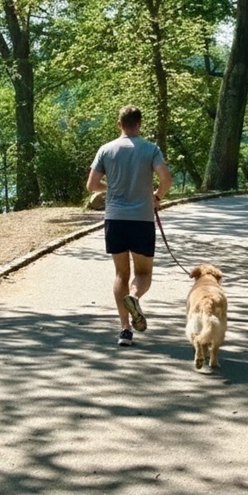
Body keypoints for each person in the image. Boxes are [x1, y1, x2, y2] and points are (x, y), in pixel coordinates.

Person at [87, 105, 173, 347]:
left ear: (119, 124)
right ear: (140, 124)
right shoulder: (151, 149)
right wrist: (157, 196)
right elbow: (166, 179)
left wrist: (111, 187)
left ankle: (125, 330)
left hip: (115, 219)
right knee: (143, 274)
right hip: (141, 219)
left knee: (120, 274)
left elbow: (92, 185)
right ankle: (134, 297)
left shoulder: (106, 149)